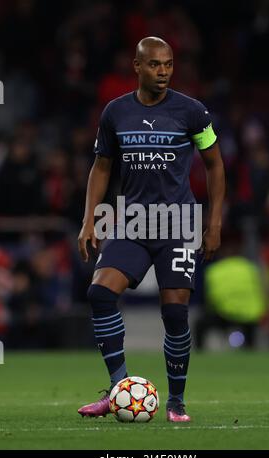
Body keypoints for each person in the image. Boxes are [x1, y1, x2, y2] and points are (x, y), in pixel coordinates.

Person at [77, 37, 225, 422]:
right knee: (99, 293)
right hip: (132, 221)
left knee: (175, 314)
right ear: (137, 67)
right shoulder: (115, 113)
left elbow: (215, 165)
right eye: (155, 65)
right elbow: (102, 167)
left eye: (169, 64)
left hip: (178, 223)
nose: (163, 72)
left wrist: (214, 222)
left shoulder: (192, 112)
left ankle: (176, 403)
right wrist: (89, 218)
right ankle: (118, 390)